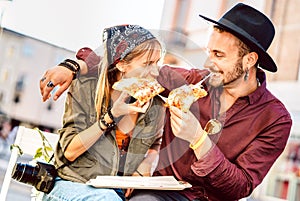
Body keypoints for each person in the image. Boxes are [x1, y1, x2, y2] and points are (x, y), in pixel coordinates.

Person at [39, 3, 292, 201]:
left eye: (218, 55)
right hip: (158, 194)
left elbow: (241, 186)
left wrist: (199, 140)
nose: (207, 63)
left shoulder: (275, 119)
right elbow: (129, 64)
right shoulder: (193, 82)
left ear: (249, 61)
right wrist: (74, 65)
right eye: (208, 52)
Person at [41, 24, 166, 201]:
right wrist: (111, 116)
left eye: (157, 63)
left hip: (116, 192)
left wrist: (147, 163)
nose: (155, 71)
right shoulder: (86, 88)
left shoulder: (154, 103)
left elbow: (156, 143)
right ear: (122, 65)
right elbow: (68, 151)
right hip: (72, 184)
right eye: (147, 64)